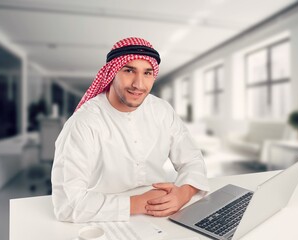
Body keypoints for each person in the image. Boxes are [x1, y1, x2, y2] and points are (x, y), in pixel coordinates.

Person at [51, 37, 209, 223]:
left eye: (147, 73)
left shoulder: (161, 110)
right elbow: (67, 205)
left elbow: (192, 159)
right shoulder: (84, 123)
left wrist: (184, 193)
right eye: (129, 71)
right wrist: (139, 203)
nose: (139, 84)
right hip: (101, 217)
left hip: (163, 213)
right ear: (112, 73)